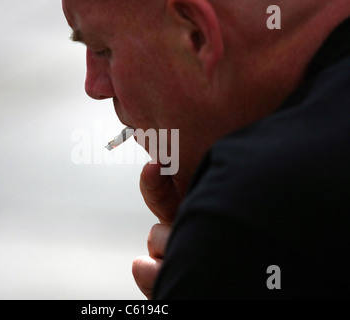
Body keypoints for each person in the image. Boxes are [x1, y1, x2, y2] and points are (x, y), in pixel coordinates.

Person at [62, 0, 350, 299]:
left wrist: (206, 256)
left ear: (195, 34)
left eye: (102, 50)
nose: (94, 86)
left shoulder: (250, 217)